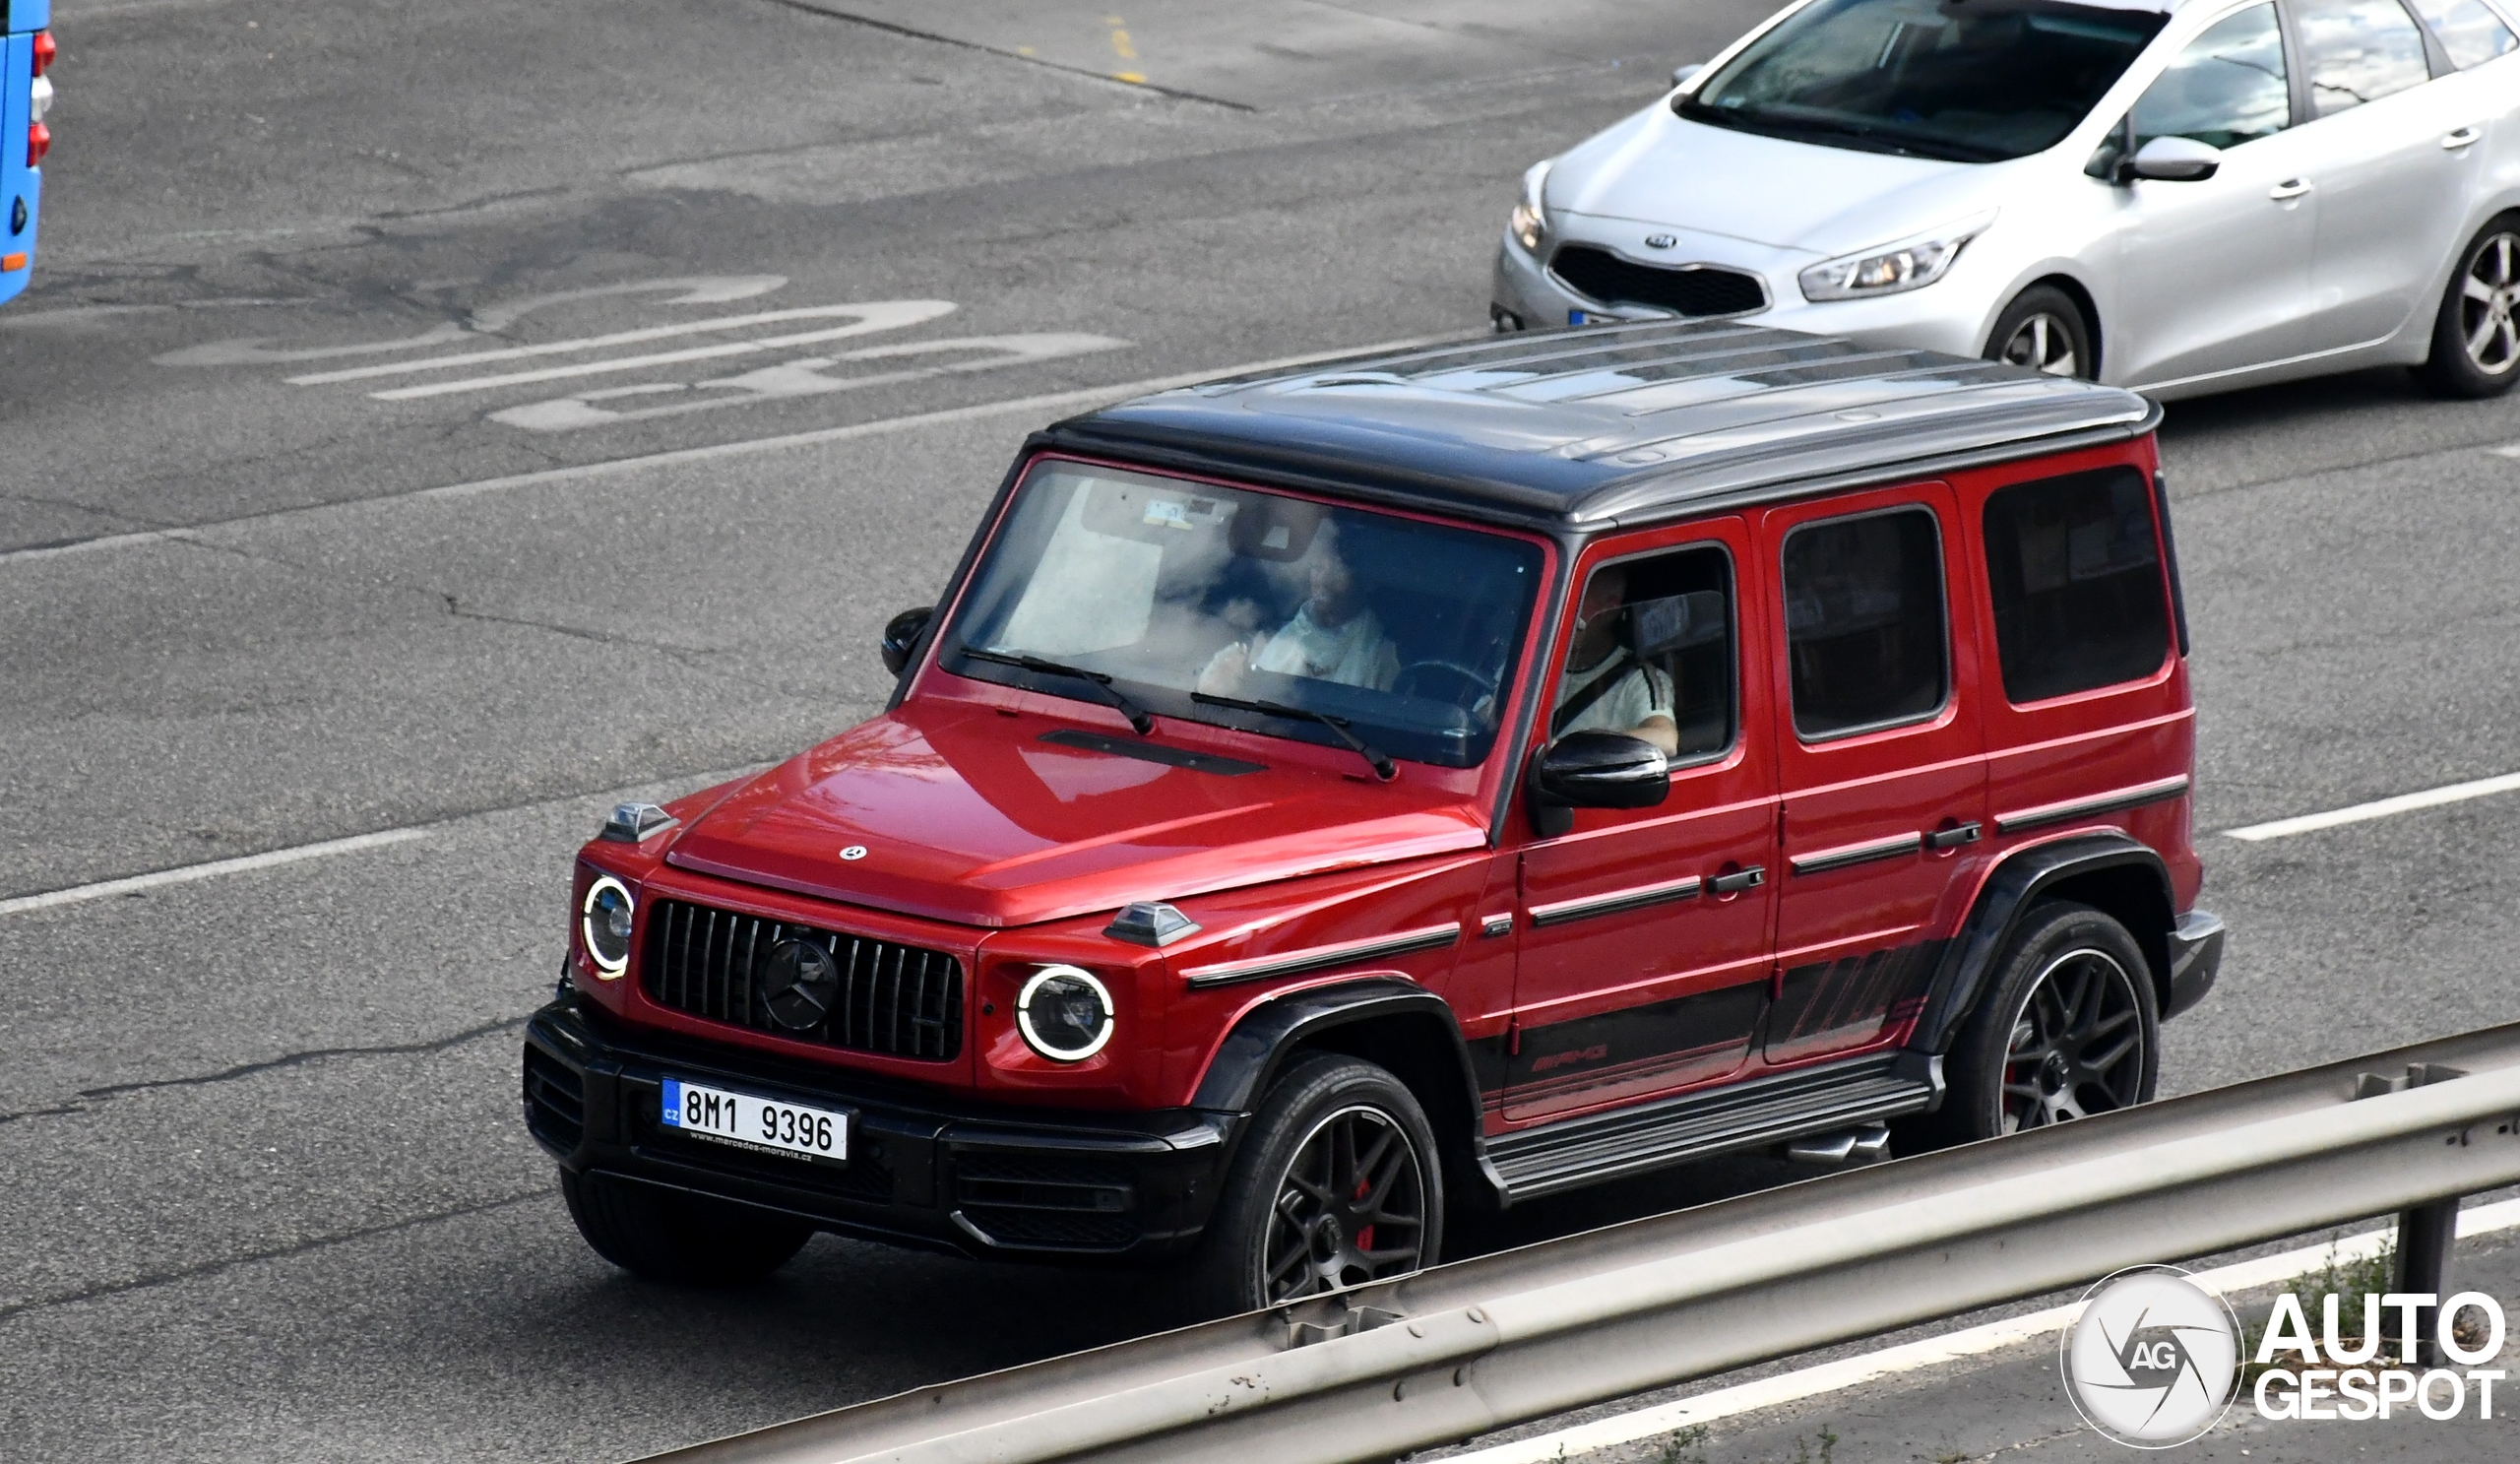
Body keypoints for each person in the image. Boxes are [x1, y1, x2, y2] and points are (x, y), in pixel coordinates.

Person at [1197, 552, 1400, 694]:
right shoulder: (1276, 637)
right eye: (1317, 568)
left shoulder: (1382, 655)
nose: (1323, 580)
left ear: (1365, 582)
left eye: (1338, 571)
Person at [1553, 565, 1679, 754]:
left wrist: (1568, 748)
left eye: (1573, 601)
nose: (1560, 612)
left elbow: (1665, 739)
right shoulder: (1534, 669)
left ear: (1608, 610)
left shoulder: (1637, 679)